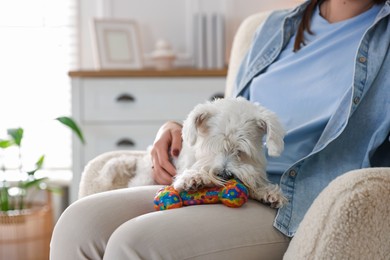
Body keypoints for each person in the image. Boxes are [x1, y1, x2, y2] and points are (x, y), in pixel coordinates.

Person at [50, 0, 390, 259]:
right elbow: (234, 111)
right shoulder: (275, 27)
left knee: (135, 244)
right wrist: (179, 128)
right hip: (212, 177)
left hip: (287, 199)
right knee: (78, 224)